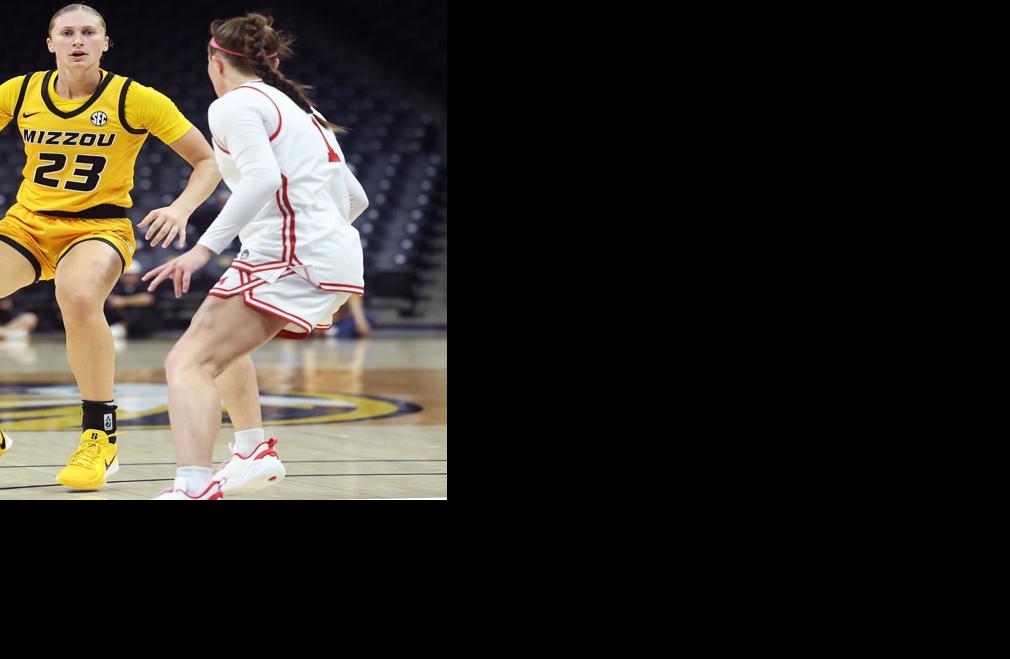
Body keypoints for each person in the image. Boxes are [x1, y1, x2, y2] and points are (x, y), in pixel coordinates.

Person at [144, 12, 368, 500]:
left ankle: (193, 487)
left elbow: (263, 179)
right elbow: (356, 201)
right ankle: (251, 451)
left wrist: (202, 251)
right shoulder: (302, 110)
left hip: (290, 251)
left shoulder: (233, 106)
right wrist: (318, 242)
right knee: (218, 352)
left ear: (216, 63)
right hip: (319, 252)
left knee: (187, 363)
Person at [0, 4, 221, 488]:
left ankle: (99, 439)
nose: (77, 40)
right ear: (50, 42)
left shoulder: (134, 98)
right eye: (67, 32)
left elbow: (208, 162)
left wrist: (180, 209)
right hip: (28, 224)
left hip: (97, 226)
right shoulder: (18, 92)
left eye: (89, 32)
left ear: (105, 43)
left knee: (78, 295)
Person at [105, 260, 156, 338]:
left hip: (141, 323)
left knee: (138, 312)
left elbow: (148, 298)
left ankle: (122, 328)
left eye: (131, 275)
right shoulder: (117, 285)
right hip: (118, 315)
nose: (127, 278)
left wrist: (123, 301)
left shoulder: (143, 284)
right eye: (125, 275)